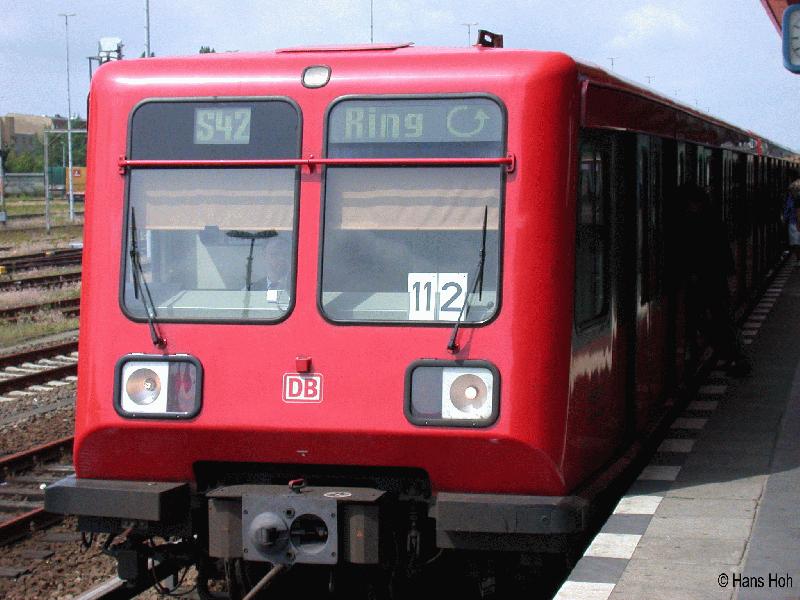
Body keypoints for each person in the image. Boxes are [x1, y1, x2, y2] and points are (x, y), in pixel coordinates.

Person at [680, 183, 750, 376]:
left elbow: (703, 254)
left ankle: (736, 357)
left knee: (717, 320)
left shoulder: (702, 222)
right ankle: (732, 355)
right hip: (715, 280)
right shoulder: (713, 218)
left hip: (710, 281)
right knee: (720, 320)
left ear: (695, 203)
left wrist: (695, 273)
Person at [784, 178, 800, 262]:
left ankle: (798, 259)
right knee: (796, 243)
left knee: (796, 242)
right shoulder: (791, 198)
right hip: (793, 221)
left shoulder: (794, 198)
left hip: (794, 222)